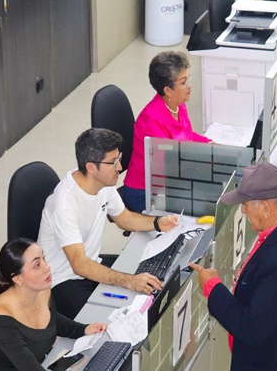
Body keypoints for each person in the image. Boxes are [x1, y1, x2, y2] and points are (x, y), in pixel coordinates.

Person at [189, 163, 277, 370]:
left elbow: (251, 329)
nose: (242, 210)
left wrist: (213, 288)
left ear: (265, 207)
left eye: (245, 204)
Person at [36, 128, 179, 319]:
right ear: (91, 167)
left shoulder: (103, 184)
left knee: (153, 281)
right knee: (121, 319)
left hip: (91, 264)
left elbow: (124, 218)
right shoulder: (64, 204)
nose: (119, 167)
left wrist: (158, 223)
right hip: (63, 281)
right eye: (113, 162)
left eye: (119, 158)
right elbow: (79, 264)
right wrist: (128, 281)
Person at [0, 238, 108, 370]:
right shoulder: (1, 318)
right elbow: (29, 367)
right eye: (37, 265)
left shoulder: (41, 290)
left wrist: (82, 330)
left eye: (44, 258)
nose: (47, 267)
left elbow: (52, 319)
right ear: (18, 278)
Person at [122, 52, 211, 212]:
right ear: (168, 90)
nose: (189, 85)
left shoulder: (178, 104)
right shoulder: (151, 120)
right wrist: (204, 159)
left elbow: (187, 136)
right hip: (147, 192)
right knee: (205, 207)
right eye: (183, 82)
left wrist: (210, 144)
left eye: (188, 79)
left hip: (172, 182)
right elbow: (167, 166)